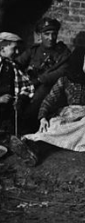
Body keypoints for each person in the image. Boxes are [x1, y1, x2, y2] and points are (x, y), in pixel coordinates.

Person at [19, 47, 85, 165]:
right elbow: (50, 99)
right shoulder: (65, 80)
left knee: (84, 126)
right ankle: (33, 145)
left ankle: (37, 145)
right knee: (54, 123)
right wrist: (43, 117)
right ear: (79, 61)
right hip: (70, 113)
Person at [15, 17, 71, 130]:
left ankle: (26, 127)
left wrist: (40, 80)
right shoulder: (34, 50)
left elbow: (62, 71)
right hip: (29, 85)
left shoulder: (63, 52)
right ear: (40, 35)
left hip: (49, 87)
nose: (51, 38)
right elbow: (17, 64)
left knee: (37, 98)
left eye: (54, 34)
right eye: (47, 34)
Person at [0, 33, 35, 164]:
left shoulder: (11, 66)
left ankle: (19, 146)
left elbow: (26, 85)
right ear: (2, 49)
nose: (17, 52)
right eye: (13, 49)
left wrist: (21, 97)